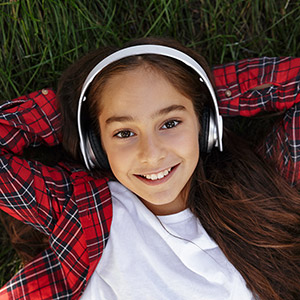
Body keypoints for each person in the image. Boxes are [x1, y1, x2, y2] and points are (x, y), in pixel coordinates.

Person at [0, 37, 299, 300]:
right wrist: (70, 110)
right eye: (124, 133)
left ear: (204, 125)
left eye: (170, 123)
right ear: (96, 145)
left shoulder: (261, 194)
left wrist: (204, 89)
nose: (151, 154)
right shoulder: (82, 212)